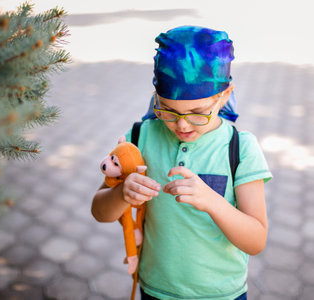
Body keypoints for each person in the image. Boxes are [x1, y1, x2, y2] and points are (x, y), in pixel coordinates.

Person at [91, 25, 272, 300]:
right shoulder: (140, 137)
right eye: (168, 110)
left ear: (224, 96)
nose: (182, 124)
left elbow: (256, 240)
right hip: (155, 289)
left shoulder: (241, 148)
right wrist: (122, 193)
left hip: (222, 294)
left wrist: (212, 202)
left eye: (199, 113)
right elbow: (100, 211)